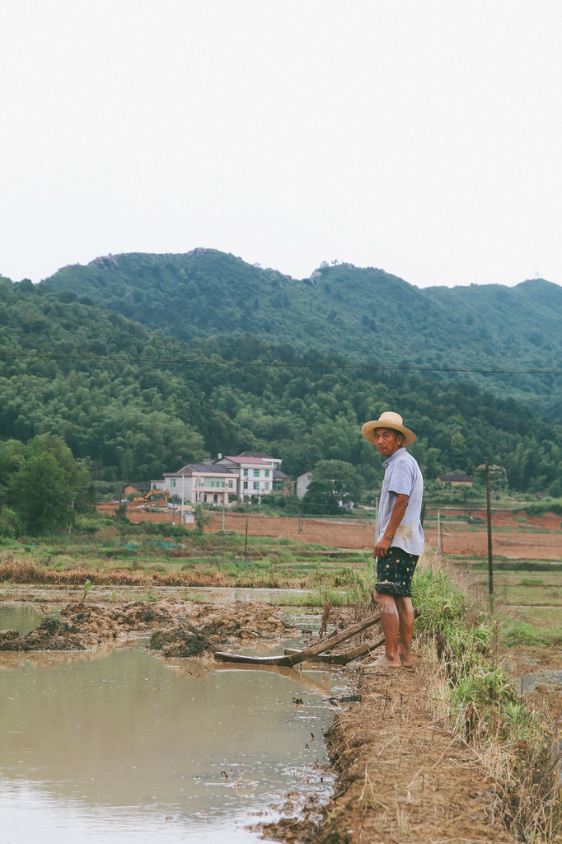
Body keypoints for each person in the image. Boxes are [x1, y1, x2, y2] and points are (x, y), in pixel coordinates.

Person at [361, 411, 424, 668]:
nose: (380, 441)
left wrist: (386, 538)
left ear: (399, 439)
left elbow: (402, 501)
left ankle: (391, 657)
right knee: (402, 596)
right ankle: (405, 656)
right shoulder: (405, 462)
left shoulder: (401, 463)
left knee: (383, 594)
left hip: (397, 541)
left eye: (386, 436)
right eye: (377, 436)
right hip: (409, 541)